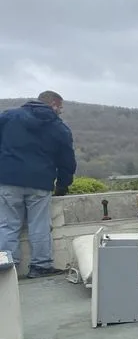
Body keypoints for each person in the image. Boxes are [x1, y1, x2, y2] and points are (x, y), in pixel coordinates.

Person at [0, 91, 77, 277]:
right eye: (60, 108)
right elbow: (67, 161)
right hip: (40, 183)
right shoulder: (59, 128)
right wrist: (63, 185)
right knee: (40, 225)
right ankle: (40, 267)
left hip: (8, 180)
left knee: (8, 225)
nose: (61, 112)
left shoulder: (8, 117)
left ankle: (6, 270)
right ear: (54, 104)